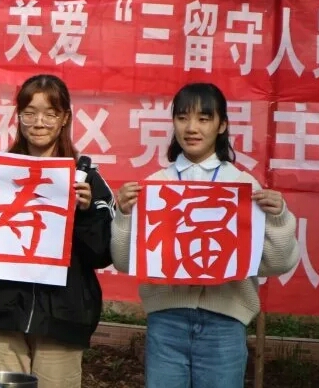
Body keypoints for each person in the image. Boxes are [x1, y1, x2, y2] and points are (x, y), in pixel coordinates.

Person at [111, 82, 299, 388]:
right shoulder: (154, 186)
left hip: (225, 324)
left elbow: (277, 263)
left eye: (204, 118)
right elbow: (122, 261)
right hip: (166, 321)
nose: (191, 128)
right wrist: (124, 214)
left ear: (222, 125)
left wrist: (278, 218)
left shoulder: (243, 186)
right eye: (182, 117)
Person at [0, 74, 115, 388]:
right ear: (19, 117)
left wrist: (85, 214)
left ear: (65, 118)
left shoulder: (86, 179)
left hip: (62, 318)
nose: (39, 122)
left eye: (50, 114)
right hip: (3, 314)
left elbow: (102, 254)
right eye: (29, 113)